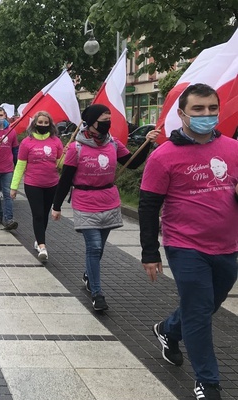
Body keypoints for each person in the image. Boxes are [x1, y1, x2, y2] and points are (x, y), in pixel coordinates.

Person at [139, 83, 238, 400]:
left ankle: (168, 330)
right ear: (181, 114)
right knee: (199, 311)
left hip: (227, 246)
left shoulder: (233, 148)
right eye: (198, 109)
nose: (207, 115)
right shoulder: (164, 155)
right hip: (185, 246)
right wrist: (150, 252)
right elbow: (148, 206)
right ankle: (207, 382)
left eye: (212, 108)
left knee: (210, 305)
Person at [52, 104, 160, 311]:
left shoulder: (113, 144)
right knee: (93, 246)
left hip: (109, 200)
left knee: (99, 248)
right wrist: (56, 206)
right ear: (91, 121)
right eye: (104, 118)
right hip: (84, 200)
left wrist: (147, 143)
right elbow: (65, 179)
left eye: (109, 118)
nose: (108, 122)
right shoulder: (76, 147)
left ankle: (89, 274)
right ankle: (97, 293)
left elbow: (132, 163)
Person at [10, 111, 63, 263]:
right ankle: (42, 246)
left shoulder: (56, 142)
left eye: (46, 123)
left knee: (45, 214)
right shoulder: (27, 142)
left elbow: (62, 164)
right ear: (34, 124)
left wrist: (66, 155)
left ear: (50, 125)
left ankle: (39, 239)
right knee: (38, 214)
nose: (43, 125)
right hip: (33, 184)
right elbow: (20, 166)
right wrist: (13, 187)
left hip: (52, 184)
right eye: (40, 122)